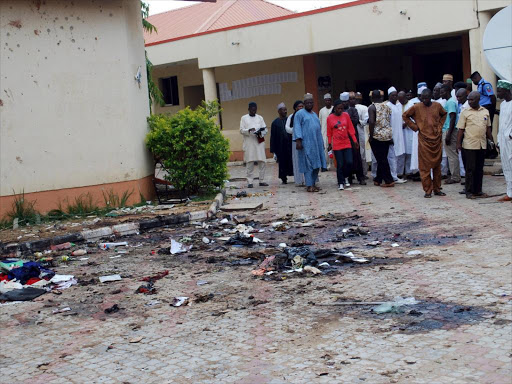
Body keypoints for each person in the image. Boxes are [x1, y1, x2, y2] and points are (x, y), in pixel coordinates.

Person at [403, 88, 447, 198]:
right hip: (423, 140)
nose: (424, 100)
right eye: (422, 98)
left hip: (436, 140)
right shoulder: (417, 107)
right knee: (424, 167)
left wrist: (439, 126)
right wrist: (414, 126)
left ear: (430, 97)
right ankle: (427, 190)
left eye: (426, 98)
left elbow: (444, 114)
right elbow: (405, 116)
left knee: (437, 166)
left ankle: (437, 188)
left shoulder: (437, 106)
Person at [456, 91, 494, 199]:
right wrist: (458, 144)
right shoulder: (465, 112)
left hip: (481, 145)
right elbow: (460, 130)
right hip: (469, 145)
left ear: (478, 100)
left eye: (472, 100)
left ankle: (478, 191)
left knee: (479, 169)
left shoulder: (485, 112)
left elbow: (488, 129)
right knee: (470, 169)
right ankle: (469, 191)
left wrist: (491, 141)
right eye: (469, 99)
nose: (469, 101)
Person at [293, 93, 326, 192]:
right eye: (307, 103)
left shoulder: (314, 114)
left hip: (316, 144)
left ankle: (313, 183)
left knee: (316, 165)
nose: (309, 104)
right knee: (308, 165)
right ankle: (309, 185)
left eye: (311, 103)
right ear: (304, 103)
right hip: (306, 144)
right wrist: (298, 140)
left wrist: (322, 144)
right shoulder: (299, 114)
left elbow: (318, 129)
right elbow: (297, 127)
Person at [327, 99, 359, 190]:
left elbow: (351, 129)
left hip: (347, 143)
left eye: (342, 108)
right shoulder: (330, 118)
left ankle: (345, 177)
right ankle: (340, 182)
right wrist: (329, 143)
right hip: (337, 144)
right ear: (335, 109)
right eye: (338, 108)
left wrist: (355, 140)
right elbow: (329, 132)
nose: (340, 110)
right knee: (340, 164)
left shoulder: (346, 115)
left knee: (349, 162)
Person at [368, 90, 394, 187]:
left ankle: (389, 180)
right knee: (382, 158)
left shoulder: (372, 107)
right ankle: (378, 179)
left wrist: (371, 135)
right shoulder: (387, 106)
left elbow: (371, 122)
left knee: (381, 159)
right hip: (387, 135)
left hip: (377, 136)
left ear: (372, 98)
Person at [240, 102, 268, 188]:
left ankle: (261, 180)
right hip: (249, 143)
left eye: (255, 109)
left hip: (259, 142)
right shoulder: (244, 118)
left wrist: (260, 131)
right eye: (252, 109)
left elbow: (265, 130)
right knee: (250, 162)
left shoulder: (260, 118)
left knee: (262, 162)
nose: (253, 111)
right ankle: (250, 182)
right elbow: (241, 130)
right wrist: (249, 130)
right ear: (248, 109)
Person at [341, 92, 365, 185]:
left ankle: (360, 178)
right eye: (343, 102)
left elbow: (355, 121)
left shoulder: (353, 110)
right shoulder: (338, 111)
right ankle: (349, 177)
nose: (345, 103)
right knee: (346, 158)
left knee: (357, 157)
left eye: (346, 101)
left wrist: (345, 120)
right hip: (343, 138)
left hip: (353, 137)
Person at [404, 82, 426, 181]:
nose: (423, 98)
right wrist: (414, 126)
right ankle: (417, 172)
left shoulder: (432, 103)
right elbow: (406, 116)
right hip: (417, 132)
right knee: (417, 151)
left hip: (428, 132)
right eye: (422, 96)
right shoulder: (412, 102)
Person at [440, 85, 461, 184]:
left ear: (447, 91)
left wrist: (448, 134)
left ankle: (455, 176)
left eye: (442, 92)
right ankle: (454, 175)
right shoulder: (449, 102)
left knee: (452, 154)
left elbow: (452, 118)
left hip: (449, 130)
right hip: (447, 129)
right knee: (451, 154)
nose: (441, 94)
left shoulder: (451, 102)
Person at [496, 80, 512, 202]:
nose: (498, 93)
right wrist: (498, 139)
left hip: (510, 139)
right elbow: (501, 124)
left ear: (506, 91)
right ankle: (510, 193)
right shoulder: (502, 105)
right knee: (506, 167)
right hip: (503, 140)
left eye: (500, 91)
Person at [386, 86, 407, 183]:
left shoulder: (397, 106)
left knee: (399, 155)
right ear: (389, 96)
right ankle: (393, 176)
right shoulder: (387, 106)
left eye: (396, 95)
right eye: (393, 95)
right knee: (392, 157)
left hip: (399, 134)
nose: (395, 97)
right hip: (392, 135)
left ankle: (397, 174)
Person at [270, 102, 293, 184]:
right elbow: (273, 137)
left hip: (290, 145)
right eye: (283, 110)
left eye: (286, 110)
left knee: (292, 161)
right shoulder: (275, 123)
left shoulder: (289, 120)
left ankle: (295, 176)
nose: (285, 111)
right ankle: (284, 178)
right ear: (279, 111)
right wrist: (273, 150)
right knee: (282, 163)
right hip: (280, 147)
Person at [286, 100, 305, 186]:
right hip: (296, 141)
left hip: (306, 140)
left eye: (302, 106)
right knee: (297, 160)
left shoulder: (306, 114)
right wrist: (297, 130)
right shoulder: (291, 117)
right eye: (299, 106)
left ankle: (307, 179)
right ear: (295, 108)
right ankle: (299, 180)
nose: (300, 108)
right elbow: (287, 128)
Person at [354, 92, 369, 177]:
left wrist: (358, 121)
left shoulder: (363, 108)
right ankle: (363, 173)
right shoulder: (364, 108)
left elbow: (365, 121)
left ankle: (362, 173)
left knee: (361, 153)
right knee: (362, 154)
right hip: (360, 133)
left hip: (362, 132)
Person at [319, 93, 333, 170]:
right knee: (325, 149)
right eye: (326, 100)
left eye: (329, 100)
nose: (328, 102)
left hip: (333, 133)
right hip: (324, 132)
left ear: (331, 101)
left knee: (333, 148)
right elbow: (320, 123)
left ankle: (333, 164)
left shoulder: (334, 109)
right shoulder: (321, 111)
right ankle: (326, 164)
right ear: (324, 101)